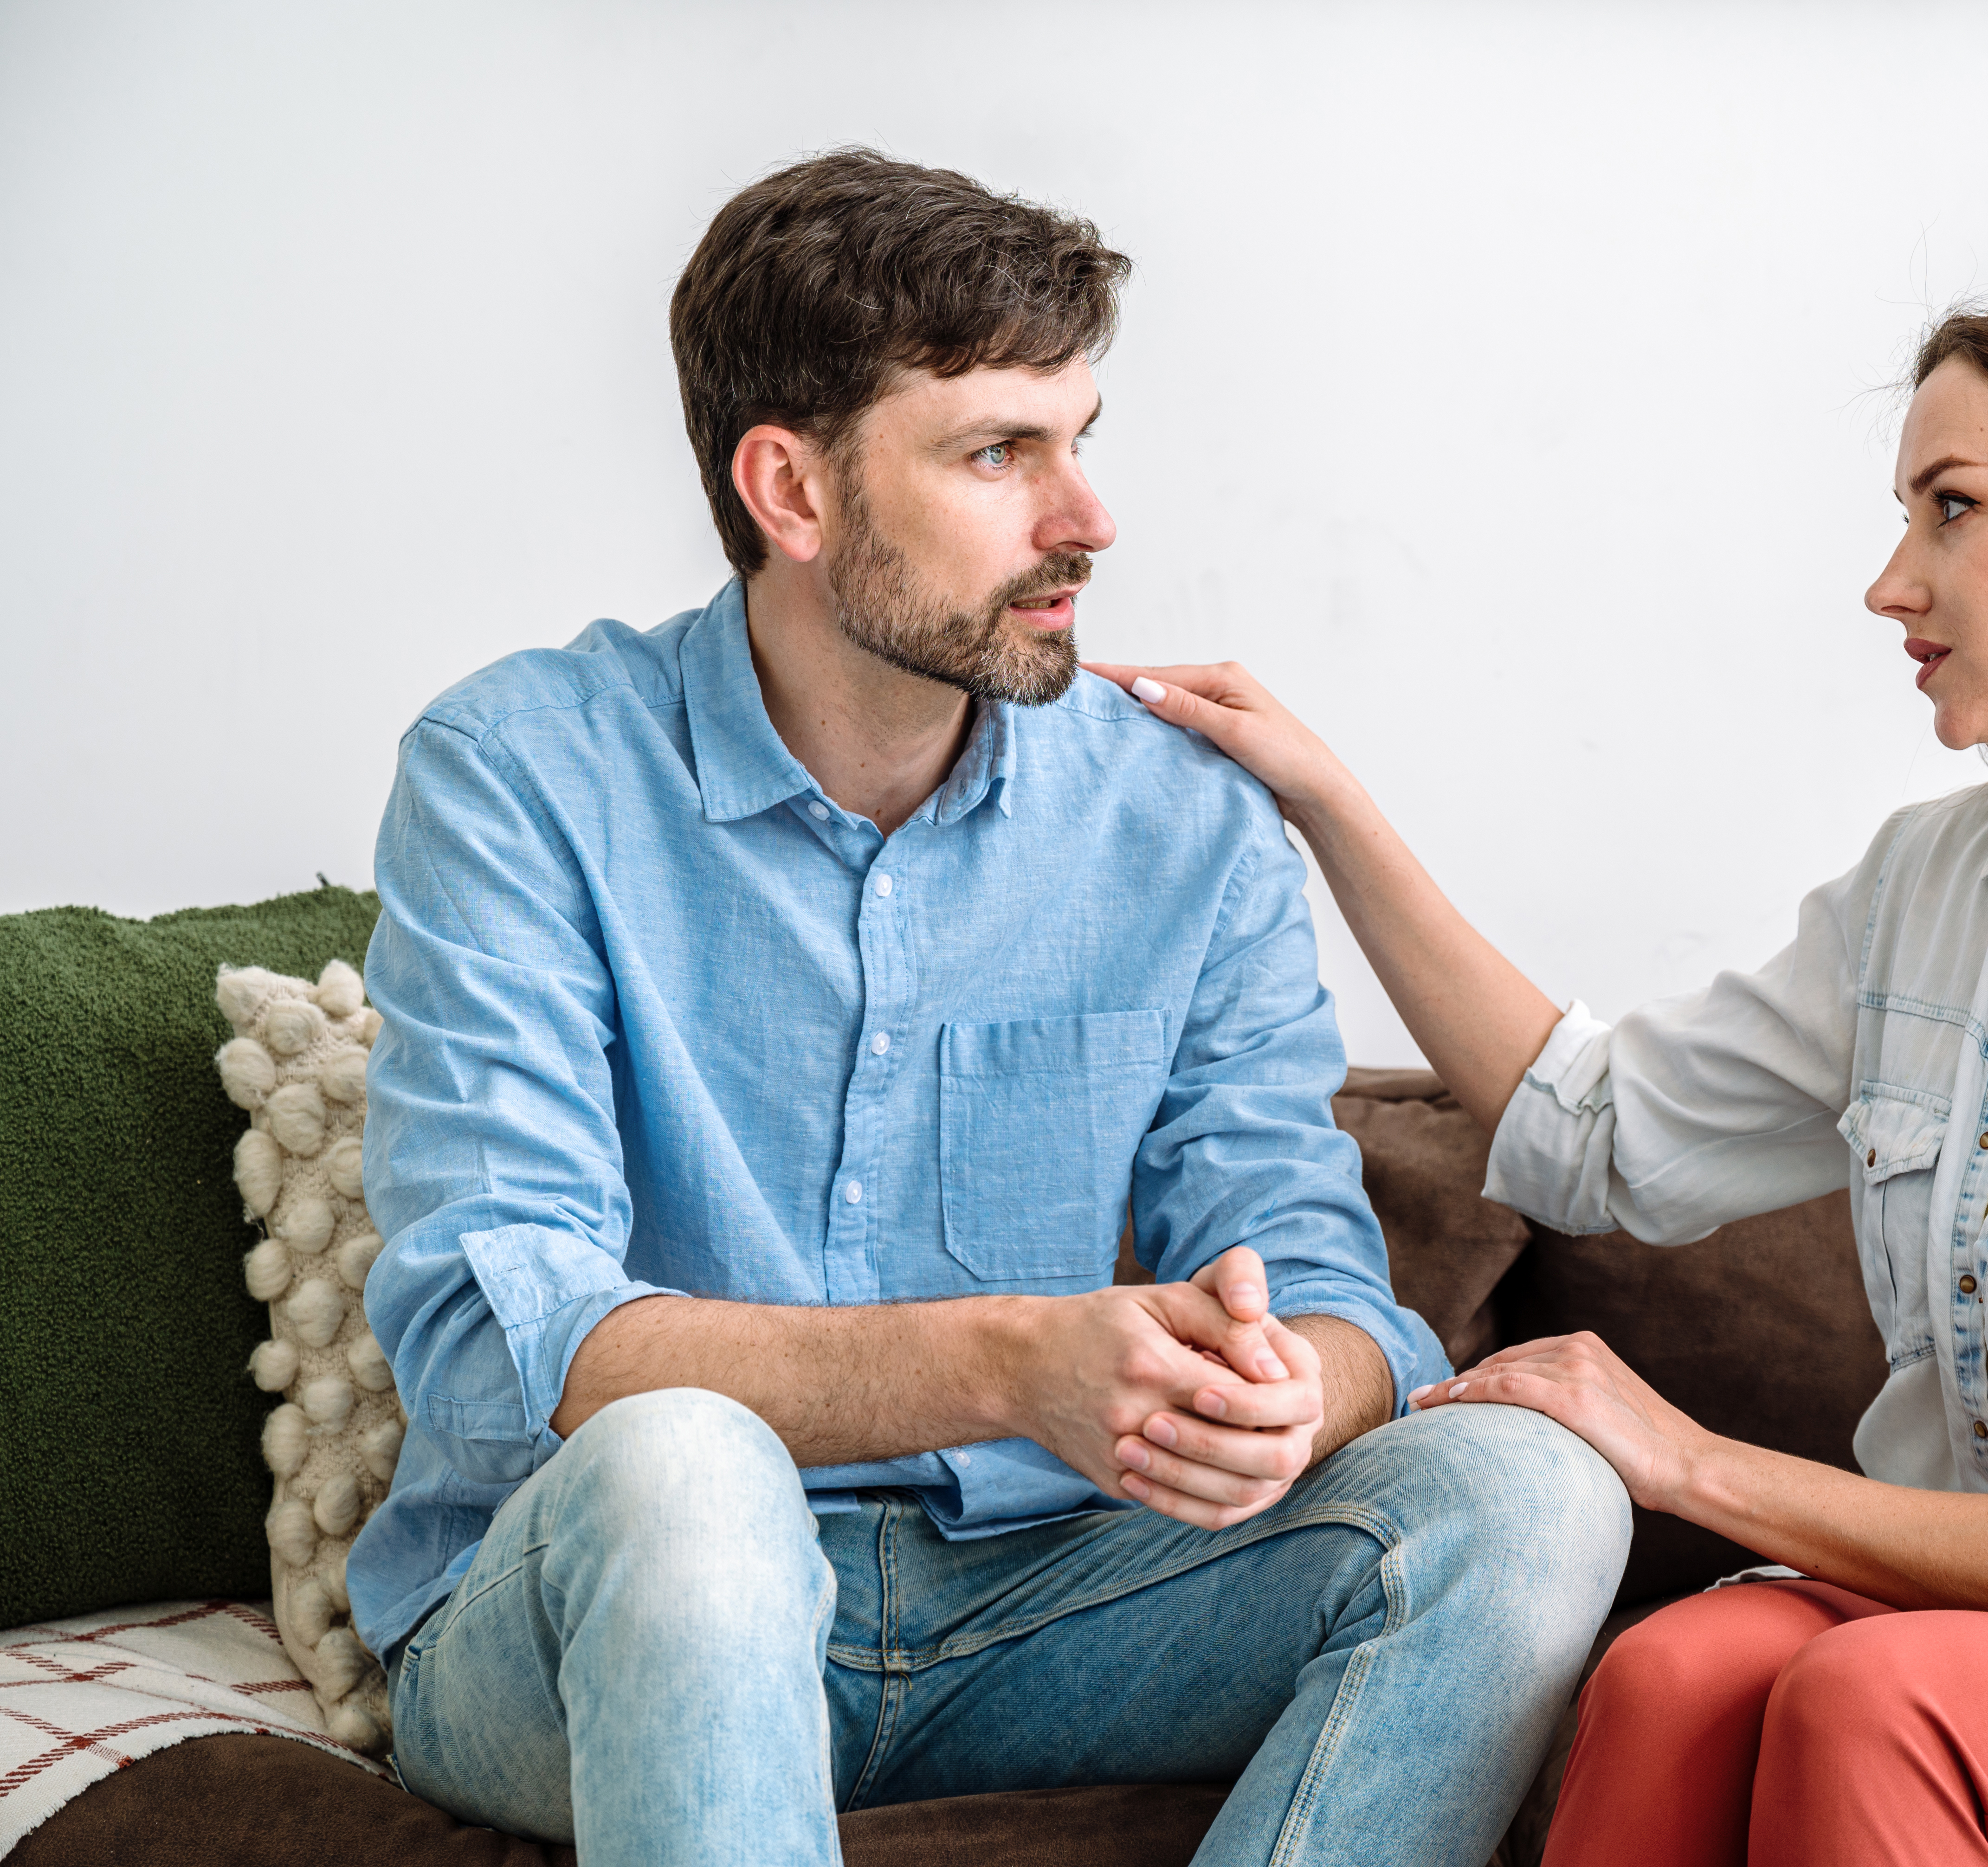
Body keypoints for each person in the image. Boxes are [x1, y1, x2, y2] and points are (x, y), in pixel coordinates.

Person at [1090, 261, 1988, 1866]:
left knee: (1879, 1703)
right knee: (1674, 1680)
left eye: (1955, 508)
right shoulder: (1936, 888)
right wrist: (1326, 802)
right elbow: (1593, 1131)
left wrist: (1686, 1461)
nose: (1891, 582)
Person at [348, 148, 1630, 1867]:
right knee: (687, 1469)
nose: (1086, 518)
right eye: (997, 453)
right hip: (612, 1614)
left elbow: (1326, 1289)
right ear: (792, 489)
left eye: (1080, 438)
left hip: (1047, 1603)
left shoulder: (1182, 818)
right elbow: (503, 1339)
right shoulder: (519, 774)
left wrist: (1289, 1393)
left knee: (1529, 1497)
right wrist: (1011, 1366)